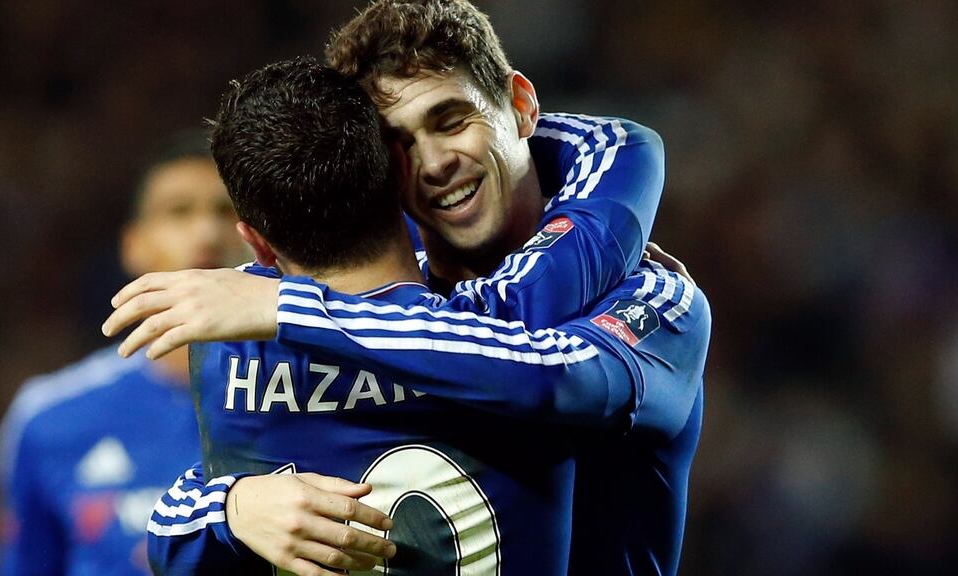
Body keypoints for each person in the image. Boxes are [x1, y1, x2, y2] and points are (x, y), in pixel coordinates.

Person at [106, 1, 709, 573]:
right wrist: (236, 507)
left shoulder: (650, 297)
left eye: (451, 121)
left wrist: (294, 307)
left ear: (521, 105)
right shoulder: (360, 301)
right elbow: (183, 508)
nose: (433, 163)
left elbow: (555, 374)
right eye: (399, 146)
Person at [0, 132, 250, 575]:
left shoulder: (312, 394)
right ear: (134, 246)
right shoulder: (49, 417)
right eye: (179, 212)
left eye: (227, 212)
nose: (207, 232)